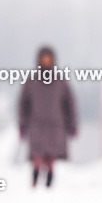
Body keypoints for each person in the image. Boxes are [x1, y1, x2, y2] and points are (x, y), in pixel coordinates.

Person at [18, 46, 77, 187]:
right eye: (43, 59)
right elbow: (23, 104)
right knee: (37, 157)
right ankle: (34, 184)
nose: (46, 61)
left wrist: (72, 125)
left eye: (48, 59)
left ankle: (49, 188)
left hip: (55, 126)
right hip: (36, 125)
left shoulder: (60, 81)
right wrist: (22, 124)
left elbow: (69, 104)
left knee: (51, 158)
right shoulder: (31, 81)